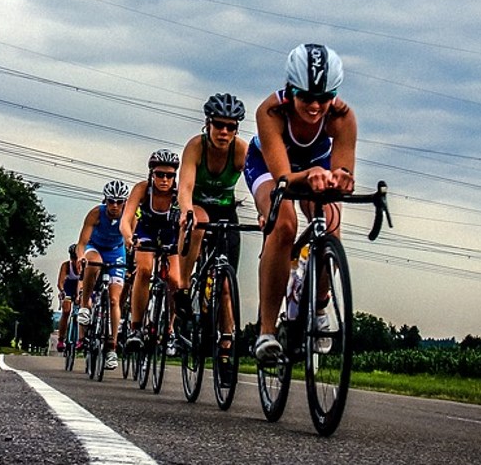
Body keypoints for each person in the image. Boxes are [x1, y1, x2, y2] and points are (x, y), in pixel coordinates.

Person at [243, 43, 356, 365]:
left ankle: (318, 302)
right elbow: (283, 179)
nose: (316, 106)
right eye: (307, 97)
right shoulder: (272, 111)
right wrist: (312, 174)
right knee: (283, 225)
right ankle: (266, 331)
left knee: (331, 225)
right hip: (269, 166)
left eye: (325, 98)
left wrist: (343, 179)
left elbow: (343, 170)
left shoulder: (343, 117)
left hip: (315, 165)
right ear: (290, 89)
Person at [177, 93, 247, 355]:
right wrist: (186, 211)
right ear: (208, 124)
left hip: (226, 212)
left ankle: (227, 341)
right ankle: (184, 286)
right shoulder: (196, 147)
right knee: (200, 222)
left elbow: (258, 182)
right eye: (219, 125)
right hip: (198, 208)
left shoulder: (241, 150)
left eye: (231, 127)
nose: (224, 132)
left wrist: (266, 211)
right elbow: (184, 187)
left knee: (226, 285)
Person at [121, 149, 183, 354]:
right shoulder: (142, 189)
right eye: (160, 174)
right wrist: (129, 237)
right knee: (145, 270)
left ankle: (170, 328)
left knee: (175, 279)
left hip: (170, 234)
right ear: (151, 174)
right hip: (146, 231)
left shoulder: (179, 193)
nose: (165, 180)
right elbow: (126, 218)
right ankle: (136, 328)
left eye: (170, 175)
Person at [74, 179, 130, 370]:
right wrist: (81, 257)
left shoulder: (129, 216)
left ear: (125, 202)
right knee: (93, 263)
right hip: (95, 247)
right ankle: (85, 306)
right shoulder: (96, 213)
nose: (115, 206)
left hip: (116, 251)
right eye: (111, 201)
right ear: (105, 201)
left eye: (119, 202)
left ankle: (112, 347)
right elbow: (82, 243)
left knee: (115, 300)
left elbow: (132, 240)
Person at [54, 249, 80, 353]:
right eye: (73, 259)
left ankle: (81, 338)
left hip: (80, 288)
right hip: (68, 288)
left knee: (84, 310)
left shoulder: (85, 265)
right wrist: (62, 291)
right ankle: (61, 339)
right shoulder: (66, 266)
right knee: (66, 311)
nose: (75, 261)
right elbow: (60, 282)